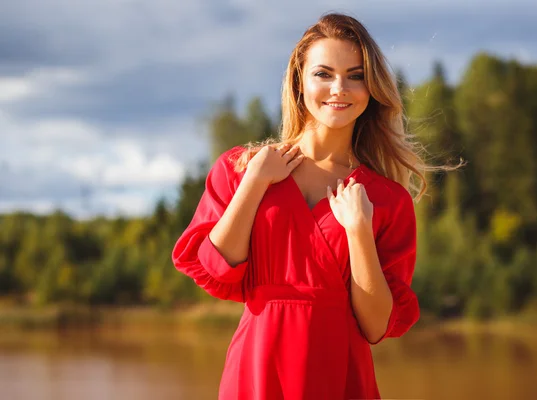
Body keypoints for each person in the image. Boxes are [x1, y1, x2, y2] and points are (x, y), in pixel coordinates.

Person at [173, 12, 452, 400]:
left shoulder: (385, 200)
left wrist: (359, 232)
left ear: (371, 89)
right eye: (324, 74)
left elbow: (375, 327)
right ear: (299, 81)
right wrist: (255, 182)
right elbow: (218, 272)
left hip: (338, 377)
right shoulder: (240, 168)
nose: (340, 88)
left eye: (356, 76)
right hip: (255, 374)